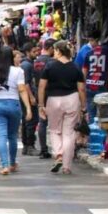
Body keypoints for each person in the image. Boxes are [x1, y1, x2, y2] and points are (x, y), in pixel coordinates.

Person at [38, 41, 86, 175]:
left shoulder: (49, 66)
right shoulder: (75, 67)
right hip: (72, 99)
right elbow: (81, 89)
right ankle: (66, 166)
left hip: (53, 100)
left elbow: (42, 86)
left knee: (54, 130)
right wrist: (83, 106)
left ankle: (58, 154)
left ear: (58, 51)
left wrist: (41, 105)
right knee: (69, 133)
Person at [0, 46, 33, 175]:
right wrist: (28, 108)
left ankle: (4, 165)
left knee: (1, 136)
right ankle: (13, 163)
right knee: (12, 136)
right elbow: (22, 90)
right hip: (13, 104)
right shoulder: (18, 71)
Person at [74, 29, 108, 121]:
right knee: (103, 113)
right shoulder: (107, 51)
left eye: (91, 40)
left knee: (91, 113)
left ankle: (92, 133)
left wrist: (82, 86)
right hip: (102, 85)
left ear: (97, 40)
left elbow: (83, 71)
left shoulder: (88, 53)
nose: (90, 43)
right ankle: (102, 133)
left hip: (90, 85)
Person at [35, 39, 57, 159]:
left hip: (40, 93)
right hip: (52, 92)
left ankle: (43, 149)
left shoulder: (37, 61)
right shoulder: (52, 62)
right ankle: (56, 148)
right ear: (51, 48)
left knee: (42, 122)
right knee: (54, 122)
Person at [19, 42, 40, 156]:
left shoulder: (27, 64)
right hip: (28, 96)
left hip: (26, 96)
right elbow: (26, 83)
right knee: (31, 121)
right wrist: (31, 97)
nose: (36, 53)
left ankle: (26, 146)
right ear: (27, 52)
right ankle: (29, 145)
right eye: (34, 51)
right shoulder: (27, 65)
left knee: (27, 120)